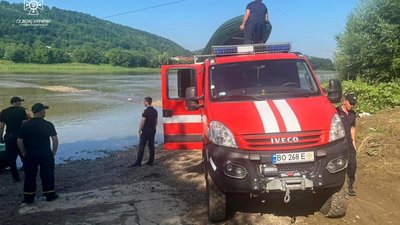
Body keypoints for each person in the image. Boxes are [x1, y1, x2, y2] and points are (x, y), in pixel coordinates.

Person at [17, 103, 59, 204]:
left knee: (30, 175)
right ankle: (50, 195)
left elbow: (19, 140)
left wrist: (23, 152)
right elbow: (55, 139)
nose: (45, 112)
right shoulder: (48, 124)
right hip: (45, 152)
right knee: (47, 174)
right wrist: (53, 151)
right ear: (41, 112)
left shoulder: (25, 125)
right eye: (44, 110)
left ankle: (29, 198)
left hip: (31, 153)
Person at [0, 96, 29, 182]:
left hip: (9, 136)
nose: (21, 103)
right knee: (23, 154)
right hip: (20, 137)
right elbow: (24, 123)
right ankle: (29, 173)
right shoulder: (21, 110)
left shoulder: (3, 112)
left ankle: (15, 178)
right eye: (20, 102)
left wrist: (0, 137)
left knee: (11, 158)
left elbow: (1, 126)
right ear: (16, 102)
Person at [336, 93, 358, 196]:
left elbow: (352, 128)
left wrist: (354, 143)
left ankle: (350, 186)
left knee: (352, 165)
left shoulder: (353, 114)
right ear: (345, 101)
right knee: (338, 164)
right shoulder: (336, 111)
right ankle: (336, 187)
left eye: (354, 104)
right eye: (350, 103)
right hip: (337, 142)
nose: (352, 105)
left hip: (349, 142)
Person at [130, 97, 158, 167]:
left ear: (147, 102)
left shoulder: (145, 111)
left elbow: (142, 122)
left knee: (141, 146)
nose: (143, 103)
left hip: (145, 131)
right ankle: (150, 161)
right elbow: (156, 121)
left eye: (144, 102)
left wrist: (139, 131)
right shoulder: (155, 111)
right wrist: (153, 128)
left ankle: (138, 162)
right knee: (151, 146)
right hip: (152, 130)